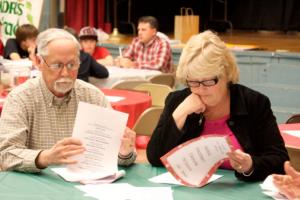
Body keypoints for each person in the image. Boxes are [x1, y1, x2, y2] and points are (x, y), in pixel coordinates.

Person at [146, 30, 289, 181]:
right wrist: (180, 113)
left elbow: (280, 161)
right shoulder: (178, 100)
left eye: (208, 81)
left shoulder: (254, 103)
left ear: (226, 74)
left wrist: (250, 165)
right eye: (193, 82)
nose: (201, 89)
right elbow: (155, 157)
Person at [0, 28, 136, 172]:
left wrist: (124, 152)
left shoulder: (93, 96)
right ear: (39, 62)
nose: (65, 73)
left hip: (85, 183)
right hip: (37, 185)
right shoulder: (20, 98)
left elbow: (115, 156)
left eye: (72, 65)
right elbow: (6, 154)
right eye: (57, 65)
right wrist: (45, 157)